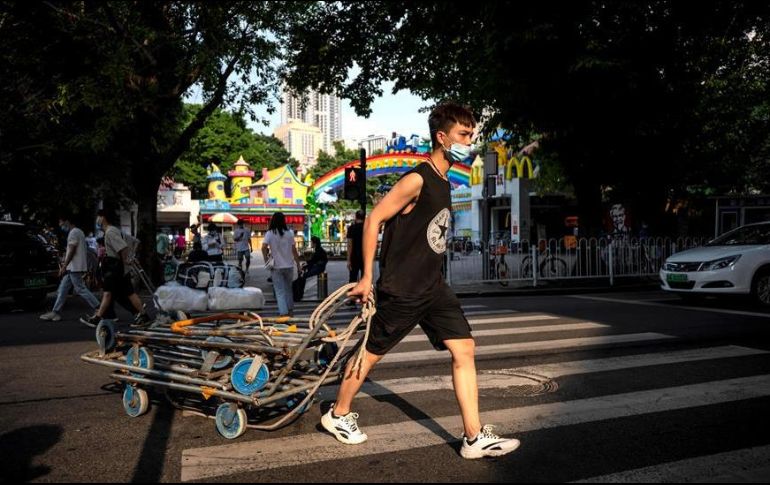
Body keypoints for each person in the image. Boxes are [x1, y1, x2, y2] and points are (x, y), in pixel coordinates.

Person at [320, 102, 520, 459]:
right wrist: (367, 277)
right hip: (404, 287)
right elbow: (373, 220)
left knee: (465, 348)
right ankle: (338, 414)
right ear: (442, 137)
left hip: (434, 287)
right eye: (463, 135)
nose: (469, 141)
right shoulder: (417, 178)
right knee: (370, 354)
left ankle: (473, 437)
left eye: (471, 135)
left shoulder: (443, 181)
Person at [80, 208, 150, 328]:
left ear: (103, 218)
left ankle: (97, 318)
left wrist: (125, 262)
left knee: (109, 293)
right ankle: (143, 315)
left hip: (115, 267)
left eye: (98, 217)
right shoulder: (111, 231)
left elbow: (122, 248)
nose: (97, 219)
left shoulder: (111, 231)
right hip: (118, 267)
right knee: (128, 293)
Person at [39, 214, 101, 321]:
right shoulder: (79, 231)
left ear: (67, 221)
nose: (60, 225)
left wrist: (64, 266)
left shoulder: (73, 232)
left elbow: (71, 250)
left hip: (74, 267)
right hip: (74, 267)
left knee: (80, 288)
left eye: (61, 222)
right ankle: (55, 312)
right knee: (63, 288)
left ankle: (100, 308)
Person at [261, 212, 302, 317]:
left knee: (279, 291)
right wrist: (298, 264)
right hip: (289, 266)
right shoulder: (290, 233)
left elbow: (263, 247)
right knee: (288, 289)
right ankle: (290, 311)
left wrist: (266, 260)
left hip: (276, 267)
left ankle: (283, 313)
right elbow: (294, 250)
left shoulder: (270, 233)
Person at [347, 210, 365, 283]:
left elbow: (349, 244)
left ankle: (352, 293)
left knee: (353, 278)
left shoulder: (351, 228)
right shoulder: (366, 227)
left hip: (354, 256)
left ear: (356, 217)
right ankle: (365, 293)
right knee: (364, 277)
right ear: (364, 217)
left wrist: (348, 260)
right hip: (364, 256)